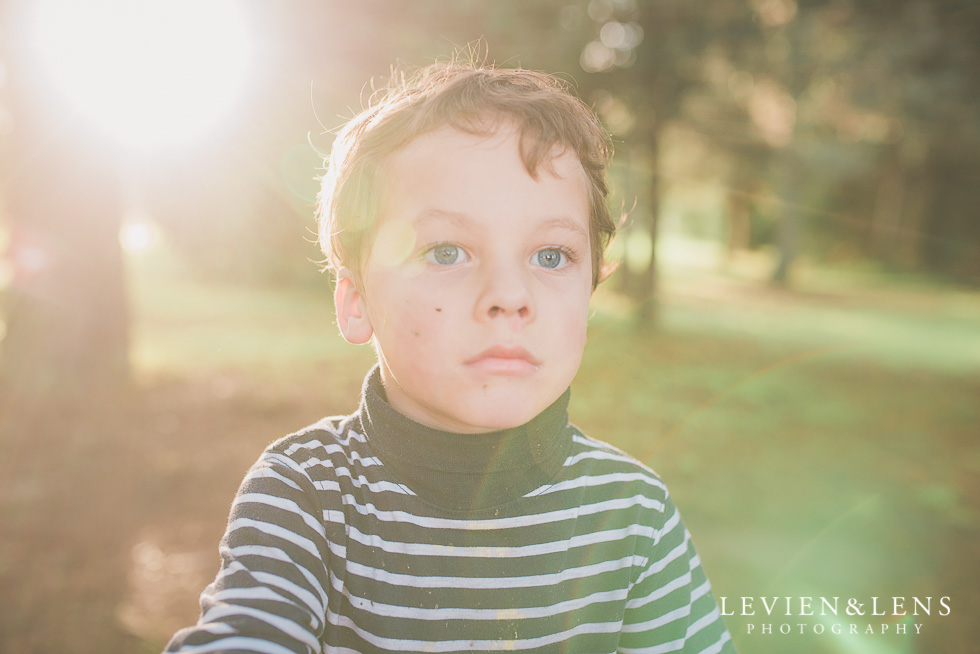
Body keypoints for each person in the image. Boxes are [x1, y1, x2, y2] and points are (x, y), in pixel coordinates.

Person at [165, 58, 736, 653]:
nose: (509, 296)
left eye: (550, 256)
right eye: (445, 252)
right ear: (357, 300)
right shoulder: (308, 496)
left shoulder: (631, 515)